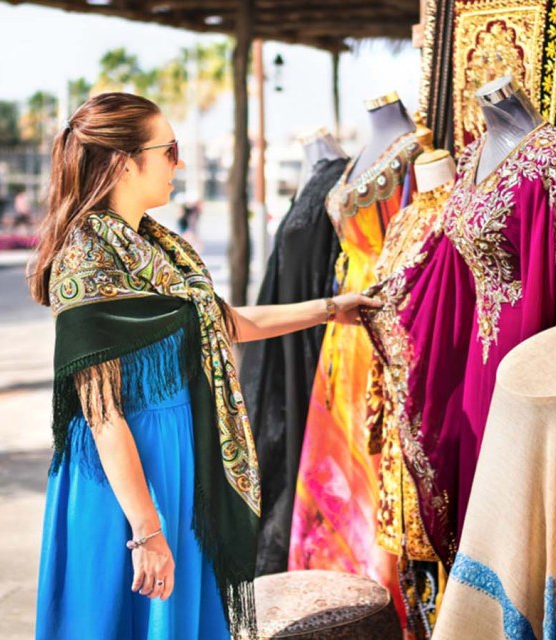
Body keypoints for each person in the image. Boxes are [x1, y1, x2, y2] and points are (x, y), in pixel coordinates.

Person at [27, 92, 379, 640]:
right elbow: (102, 415)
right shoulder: (86, 259)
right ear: (125, 162)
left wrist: (333, 308)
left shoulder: (158, 247)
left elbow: (226, 323)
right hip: (126, 483)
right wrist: (146, 532)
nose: (180, 163)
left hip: (181, 464)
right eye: (170, 150)